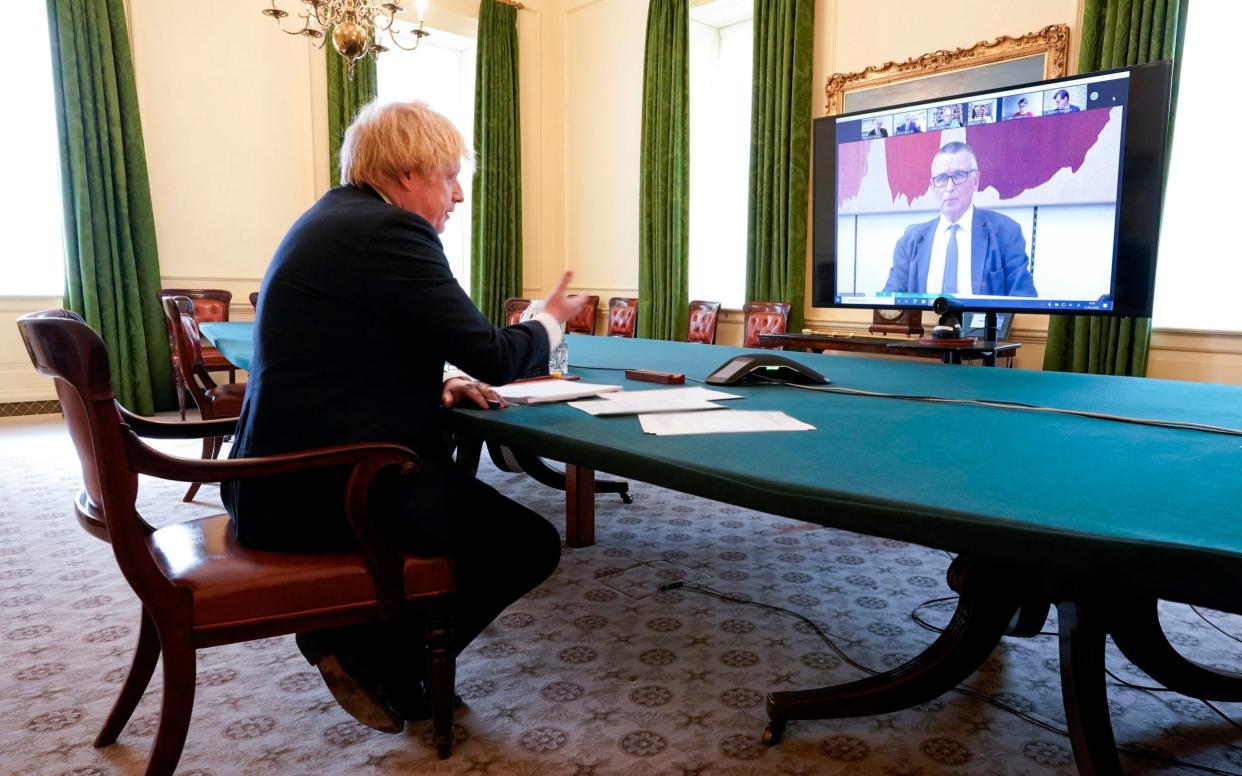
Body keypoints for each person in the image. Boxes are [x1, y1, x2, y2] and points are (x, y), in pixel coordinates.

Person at [223, 99, 589, 733]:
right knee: (526, 545)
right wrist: (550, 319)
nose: (458, 197)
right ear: (409, 173)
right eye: (450, 177)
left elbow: (355, 347)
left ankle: (357, 640)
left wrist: (441, 382)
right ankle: (372, 656)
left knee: (471, 516)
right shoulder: (391, 233)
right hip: (328, 484)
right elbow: (496, 355)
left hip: (271, 477)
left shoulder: (335, 218)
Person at [882, 141, 1037, 297]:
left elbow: (1025, 302)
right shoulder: (910, 240)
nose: (949, 187)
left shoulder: (1006, 233)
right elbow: (889, 304)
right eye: (942, 178)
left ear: (976, 180)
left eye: (958, 176)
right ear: (932, 185)